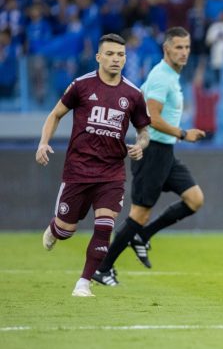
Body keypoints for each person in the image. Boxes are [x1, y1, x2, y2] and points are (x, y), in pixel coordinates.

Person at [35, 33, 150, 297]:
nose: (115, 59)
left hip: (111, 172)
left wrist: (139, 145)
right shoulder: (81, 85)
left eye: (120, 55)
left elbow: (144, 131)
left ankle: (83, 283)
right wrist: (43, 143)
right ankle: (55, 230)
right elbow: (55, 115)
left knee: (104, 226)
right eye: (110, 54)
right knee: (66, 230)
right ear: (98, 57)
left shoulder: (133, 93)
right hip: (78, 170)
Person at [95, 27, 206, 279]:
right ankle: (102, 268)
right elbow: (152, 117)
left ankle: (142, 236)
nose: (184, 52)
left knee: (195, 199)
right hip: (153, 151)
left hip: (165, 151)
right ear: (166, 49)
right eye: (178, 47)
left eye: (187, 47)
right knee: (139, 214)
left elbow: (142, 101)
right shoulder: (161, 77)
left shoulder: (169, 76)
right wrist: (182, 133)